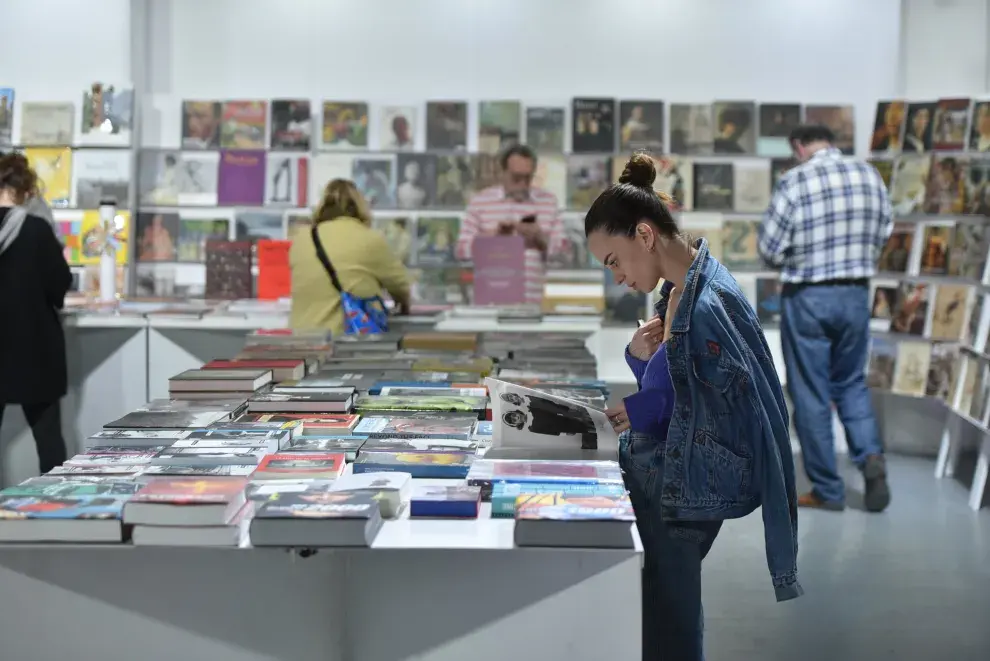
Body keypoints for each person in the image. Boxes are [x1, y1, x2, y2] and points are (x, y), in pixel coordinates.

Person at [587, 153, 801, 661]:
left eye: (614, 260)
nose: (616, 277)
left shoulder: (706, 304)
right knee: (664, 613)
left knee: (670, 625)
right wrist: (641, 363)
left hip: (676, 492)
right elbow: (681, 392)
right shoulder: (681, 291)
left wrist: (638, 410)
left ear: (643, 235)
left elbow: (721, 416)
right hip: (663, 479)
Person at [759, 124, 893, 513]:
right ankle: (870, 458)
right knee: (851, 383)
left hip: (809, 297)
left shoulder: (795, 181)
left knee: (811, 392)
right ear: (831, 142)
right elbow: (885, 231)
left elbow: (770, 247)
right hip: (855, 294)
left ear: (799, 146)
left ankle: (829, 491)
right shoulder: (868, 174)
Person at [0, 153, 72, 474]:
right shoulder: (36, 230)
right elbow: (60, 284)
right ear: (23, 189)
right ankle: (55, 510)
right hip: (34, 350)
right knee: (48, 439)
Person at [290, 179, 410, 335]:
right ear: (360, 205)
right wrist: (402, 305)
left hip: (302, 339)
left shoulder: (301, 239)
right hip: (348, 341)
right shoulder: (369, 239)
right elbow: (400, 286)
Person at [456, 144, 566, 304]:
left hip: (534, 303)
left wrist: (540, 239)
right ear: (502, 173)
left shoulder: (548, 202)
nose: (522, 184)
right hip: (491, 303)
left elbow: (564, 256)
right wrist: (493, 237)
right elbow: (461, 251)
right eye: (516, 178)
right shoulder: (480, 202)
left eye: (528, 178)